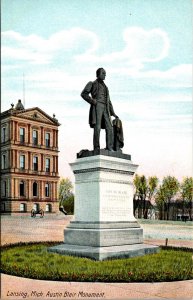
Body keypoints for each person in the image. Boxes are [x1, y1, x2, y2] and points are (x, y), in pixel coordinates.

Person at [81, 68, 118, 151]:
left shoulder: (106, 87)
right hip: (97, 106)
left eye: (105, 73)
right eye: (103, 73)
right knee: (97, 128)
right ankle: (96, 147)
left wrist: (113, 113)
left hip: (106, 108)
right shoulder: (92, 83)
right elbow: (83, 94)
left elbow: (109, 101)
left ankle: (109, 147)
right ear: (98, 74)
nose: (105, 75)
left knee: (110, 127)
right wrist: (93, 101)